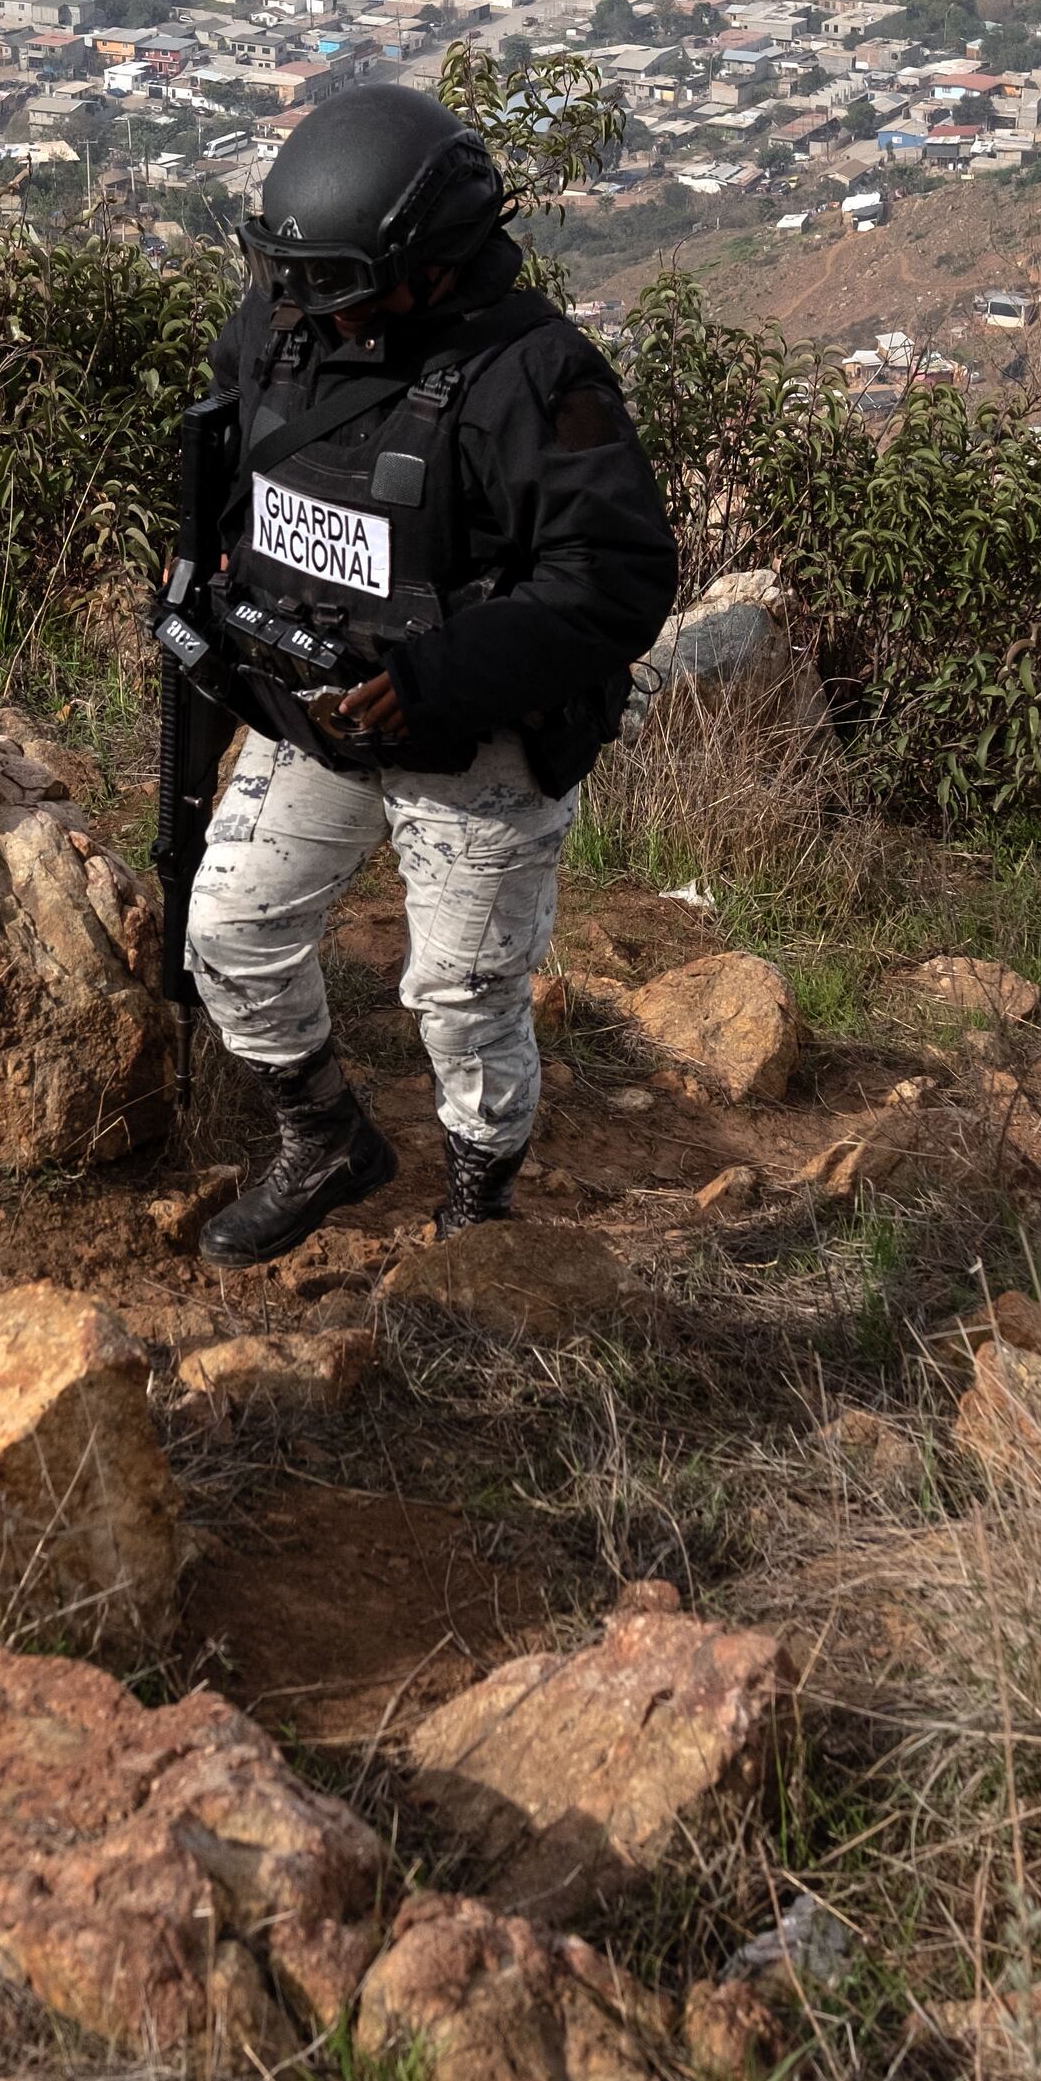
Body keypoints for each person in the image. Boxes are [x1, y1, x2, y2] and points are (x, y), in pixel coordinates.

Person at [167, 83, 676, 1264]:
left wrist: (442, 673)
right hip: (316, 708)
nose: (317, 313)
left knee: (459, 994)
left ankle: (477, 1215)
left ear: (434, 263)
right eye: (299, 283)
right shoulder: (288, 319)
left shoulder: (535, 375)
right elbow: (229, 454)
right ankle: (325, 1139)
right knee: (229, 929)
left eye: (346, 286)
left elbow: (615, 578)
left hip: (474, 731)